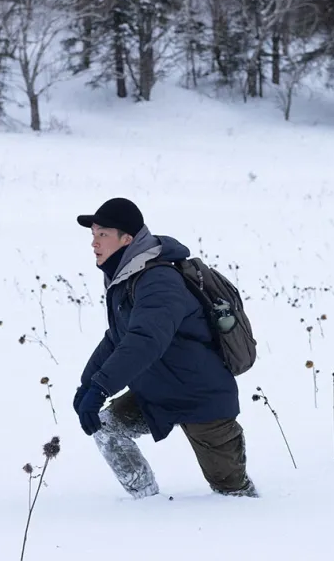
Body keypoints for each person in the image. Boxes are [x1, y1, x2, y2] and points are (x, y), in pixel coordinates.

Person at [72, 197, 258, 498]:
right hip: (159, 392)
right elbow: (118, 337)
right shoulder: (126, 278)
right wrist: (88, 384)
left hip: (201, 397)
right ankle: (146, 503)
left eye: (102, 234)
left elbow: (145, 341)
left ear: (127, 239)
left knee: (233, 493)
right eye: (92, 234)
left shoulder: (158, 280)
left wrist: (101, 387)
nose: (94, 242)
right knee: (107, 428)